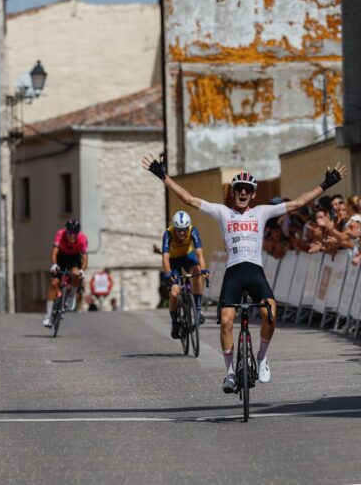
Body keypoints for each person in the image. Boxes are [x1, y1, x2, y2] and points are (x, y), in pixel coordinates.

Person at [142, 154, 346, 393]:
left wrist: (326, 185)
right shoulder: (222, 212)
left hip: (255, 270)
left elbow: (297, 204)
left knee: (270, 314)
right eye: (238, 189)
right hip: (234, 272)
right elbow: (188, 199)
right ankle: (229, 374)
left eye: (247, 190)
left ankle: (261, 358)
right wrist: (163, 177)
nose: (242, 193)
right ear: (232, 192)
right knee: (226, 321)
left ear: (253, 194)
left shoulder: (261, 212)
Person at [161, 210, 208, 337]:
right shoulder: (168, 234)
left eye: (184, 230)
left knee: (197, 273)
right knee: (175, 293)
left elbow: (199, 254)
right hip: (173, 260)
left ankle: (198, 309)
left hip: (187, 256)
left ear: (188, 227)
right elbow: (165, 258)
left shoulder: (193, 231)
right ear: (174, 228)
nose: (181, 233)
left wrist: (203, 270)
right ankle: (175, 322)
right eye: (178, 230)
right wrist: (168, 273)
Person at [43, 219, 88, 327]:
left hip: (74, 258)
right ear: (66, 231)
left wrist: (82, 270)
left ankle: (71, 295)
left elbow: (85, 258)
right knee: (54, 284)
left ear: (78, 233)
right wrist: (54, 264)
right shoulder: (60, 234)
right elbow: (54, 252)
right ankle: (48, 316)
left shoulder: (83, 239)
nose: (72, 236)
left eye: (74, 234)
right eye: (69, 233)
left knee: (76, 274)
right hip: (61, 257)